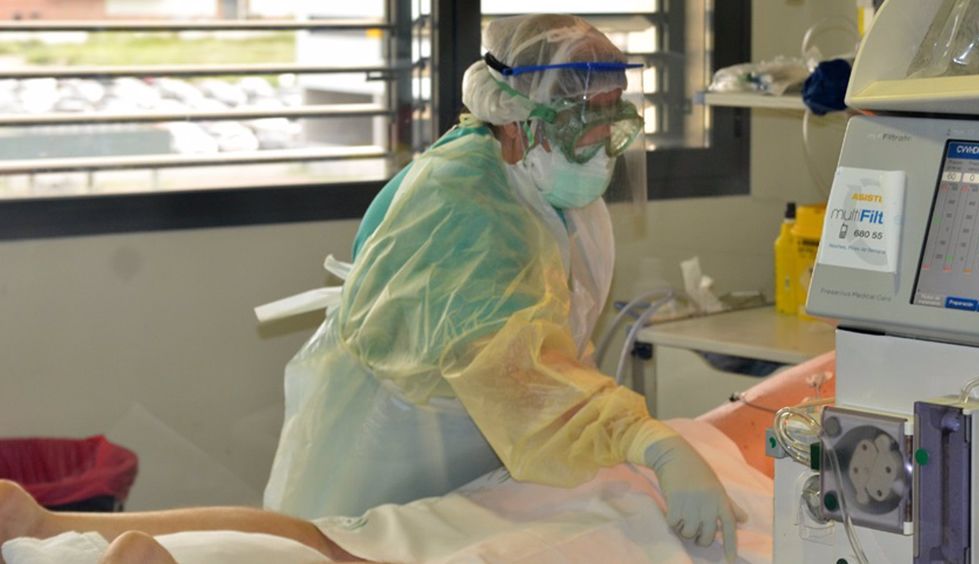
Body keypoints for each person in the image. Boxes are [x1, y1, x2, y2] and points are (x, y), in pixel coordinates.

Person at [260, 13, 744, 559]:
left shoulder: (545, 182)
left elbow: (544, 353)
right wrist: (646, 440)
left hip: (484, 451)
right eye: (587, 118)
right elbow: (517, 367)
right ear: (516, 121)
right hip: (397, 459)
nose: (605, 137)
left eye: (614, 112)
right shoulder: (464, 206)